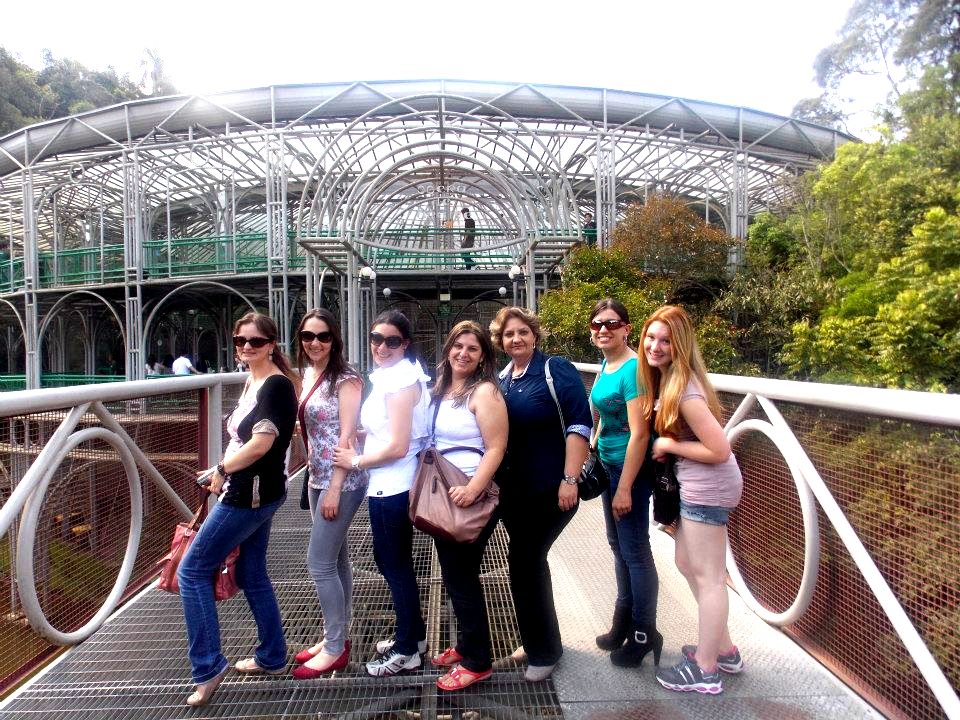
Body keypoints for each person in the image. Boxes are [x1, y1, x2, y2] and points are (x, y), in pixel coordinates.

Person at [176, 312, 298, 707]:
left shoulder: (276, 386)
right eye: (241, 340)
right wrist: (220, 470)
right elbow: (240, 437)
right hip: (254, 490)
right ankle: (273, 656)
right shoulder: (253, 380)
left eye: (256, 341)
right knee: (250, 571)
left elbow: (261, 444)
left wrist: (223, 469)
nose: (247, 347)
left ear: (272, 345)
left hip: (250, 494)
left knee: (192, 570)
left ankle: (208, 667)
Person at [638, 305, 744, 695]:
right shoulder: (669, 380)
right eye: (651, 337)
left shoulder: (684, 392)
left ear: (680, 346)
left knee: (710, 577)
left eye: (665, 340)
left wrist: (669, 445)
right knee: (686, 563)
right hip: (695, 485)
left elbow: (719, 449)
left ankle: (706, 669)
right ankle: (724, 650)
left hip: (708, 487)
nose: (655, 346)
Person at [490, 306, 591, 681]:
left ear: (534, 335)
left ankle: (545, 651)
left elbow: (580, 423)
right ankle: (536, 641)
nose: (516, 339)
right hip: (515, 492)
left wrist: (571, 478)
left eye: (523, 332)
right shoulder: (503, 379)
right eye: (508, 334)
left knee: (525, 561)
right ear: (500, 341)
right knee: (527, 565)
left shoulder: (554, 370)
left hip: (551, 489)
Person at [332, 310, 432, 677]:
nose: (382, 346)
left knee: (395, 564)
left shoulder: (400, 380)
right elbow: (389, 431)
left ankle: (407, 651)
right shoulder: (396, 375)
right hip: (388, 482)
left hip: (394, 483)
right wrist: (360, 435)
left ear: (405, 344)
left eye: (392, 341)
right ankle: (413, 636)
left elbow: (399, 445)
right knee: (390, 559)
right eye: (376, 338)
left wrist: (355, 460)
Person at [429, 321, 508, 691]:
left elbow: (496, 447)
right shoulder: (443, 389)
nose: (463, 353)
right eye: (457, 346)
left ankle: (478, 661)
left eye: (472, 349)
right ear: (448, 350)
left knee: (461, 577)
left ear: (482, 357)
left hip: (469, 496)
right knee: (455, 575)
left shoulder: (485, 392)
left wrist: (474, 489)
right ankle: (466, 644)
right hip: (444, 494)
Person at [292, 309, 367, 679]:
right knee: (336, 560)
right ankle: (335, 637)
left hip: (342, 481)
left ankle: (335, 648)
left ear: (334, 340)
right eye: (308, 336)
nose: (315, 343)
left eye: (323, 336)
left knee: (319, 563)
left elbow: (347, 437)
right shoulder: (309, 374)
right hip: (315, 476)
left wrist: (335, 488)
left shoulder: (346, 378)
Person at [588, 299, 661, 667]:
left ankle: (644, 633)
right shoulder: (607, 363)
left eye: (612, 323)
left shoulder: (633, 369)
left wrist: (625, 488)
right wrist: (593, 443)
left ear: (627, 329)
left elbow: (640, 433)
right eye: (597, 324)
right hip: (608, 464)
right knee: (618, 546)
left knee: (636, 551)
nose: (604, 329)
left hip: (629, 471)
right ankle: (623, 622)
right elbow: (604, 413)